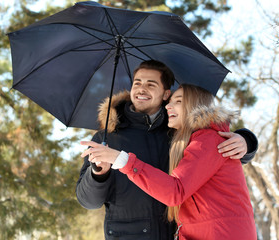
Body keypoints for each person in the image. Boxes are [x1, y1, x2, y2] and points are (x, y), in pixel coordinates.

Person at [76, 60, 258, 240]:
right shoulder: (106, 138)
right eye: (137, 83)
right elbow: (89, 201)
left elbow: (220, 155)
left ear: (165, 94)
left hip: (178, 233)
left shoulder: (180, 131)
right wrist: (99, 173)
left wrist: (246, 141)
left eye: (151, 84)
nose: (141, 88)